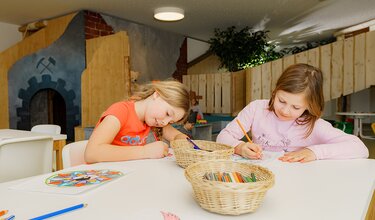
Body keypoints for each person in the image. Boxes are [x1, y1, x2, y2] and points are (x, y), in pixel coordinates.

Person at [217, 63, 369, 163]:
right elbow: (222, 137)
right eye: (281, 101)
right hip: (259, 180)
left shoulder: (314, 125)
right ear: (275, 91)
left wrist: (314, 152)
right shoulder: (256, 109)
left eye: (296, 107)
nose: (284, 110)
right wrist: (239, 146)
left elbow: (360, 148)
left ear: (309, 106)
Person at [85, 79, 190, 163]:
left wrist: (186, 143)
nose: (165, 123)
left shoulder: (155, 121)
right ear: (157, 95)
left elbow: (177, 136)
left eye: (171, 121)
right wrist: (145, 151)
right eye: (168, 114)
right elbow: (91, 153)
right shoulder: (121, 111)